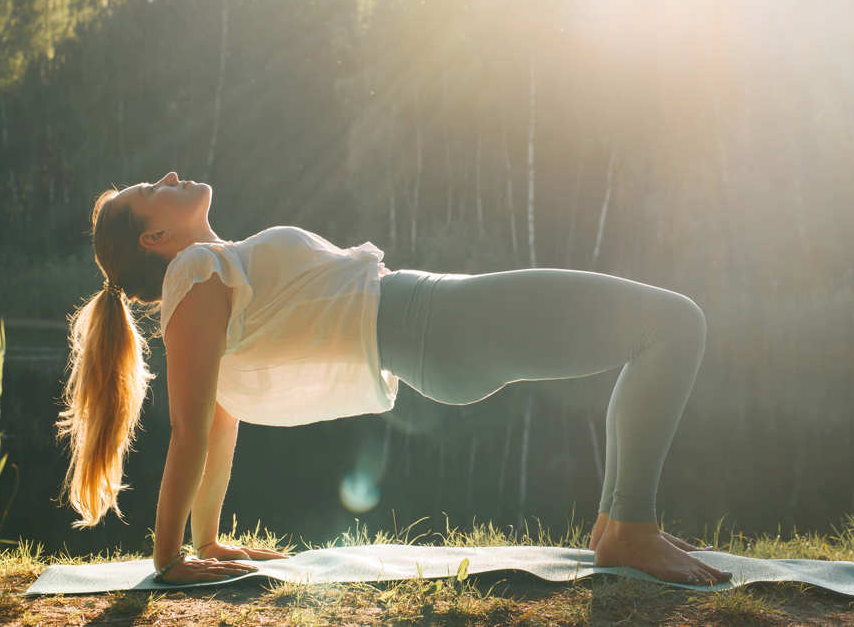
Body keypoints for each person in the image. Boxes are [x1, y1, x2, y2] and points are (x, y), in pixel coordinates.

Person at [57, 171, 732, 586]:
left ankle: (622, 521)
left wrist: (206, 541)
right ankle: (626, 527)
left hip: (435, 329)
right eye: (153, 191)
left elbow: (220, 420)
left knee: (663, 327)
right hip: (435, 323)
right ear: (153, 240)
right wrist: (171, 554)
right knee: (675, 324)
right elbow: (190, 427)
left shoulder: (215, 274)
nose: (171, 175)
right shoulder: (195, 273)